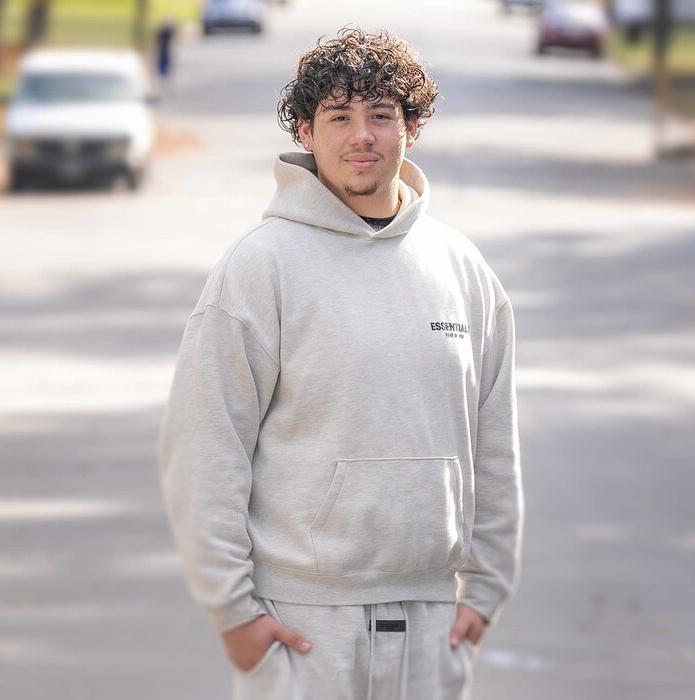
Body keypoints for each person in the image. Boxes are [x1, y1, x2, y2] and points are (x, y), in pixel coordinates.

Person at [159, 27, 523, 699]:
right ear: (306, 128)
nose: (362, 136)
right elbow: (204, 445)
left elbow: (493, 443)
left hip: (432, 619)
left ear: (410, 126)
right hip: (302, 626)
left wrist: (488, 587)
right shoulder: (259, 268)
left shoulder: (462, 271)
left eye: (382, 115)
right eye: (340, 117)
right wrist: (233, 611)